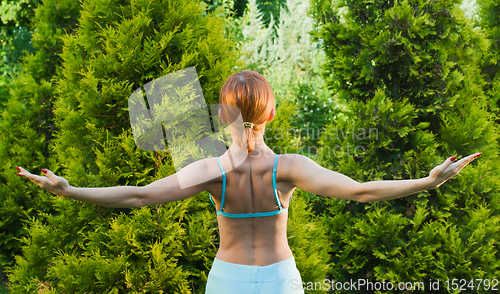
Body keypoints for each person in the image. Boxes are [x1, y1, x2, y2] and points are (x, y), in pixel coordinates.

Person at [16, 70, 481, 294]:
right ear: (271, 114)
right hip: (279, 279)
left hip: (232, 280)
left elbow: (139, 196)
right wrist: (426, 181)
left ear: (222, 114)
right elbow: (360, 189)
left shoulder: (213, 170)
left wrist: (70, 189)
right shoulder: (289, 168)